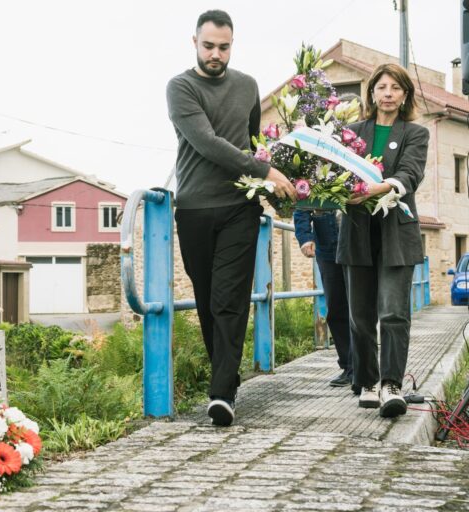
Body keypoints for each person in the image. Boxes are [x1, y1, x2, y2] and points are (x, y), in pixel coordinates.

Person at [166, 9, 296, 426]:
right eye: (209, 46)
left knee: (230, 299)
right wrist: (266, 172)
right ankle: (226, 375)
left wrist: (278, 178)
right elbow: (207, 143)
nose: (216, 54)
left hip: (241, 207)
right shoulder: (180, 87)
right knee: (206, 299)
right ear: (195, 43)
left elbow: (253, 144)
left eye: (223, 47)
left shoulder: (248, 86)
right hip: (193, 209)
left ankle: (222, 392)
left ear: (231, 45)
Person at [337, 63, 429, 417]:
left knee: (393, 312)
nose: (388, 93)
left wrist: (383, 186)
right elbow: (336, 172)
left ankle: (392, 384)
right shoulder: (351, 132)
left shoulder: (415, 133)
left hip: (396, 233)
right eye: (381, 87)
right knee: (360, 316)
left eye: (395, 87)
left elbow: (410, 173)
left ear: (405, 94)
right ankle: (367, 382)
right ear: (371, 93)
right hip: (358, 231)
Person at [293, 209, 353, 387]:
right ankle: (349, 367)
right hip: (328, 248)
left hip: (356, 245)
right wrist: (305, 237)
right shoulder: (311, 180)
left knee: (360, 309)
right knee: (336, 309)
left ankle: (361, 367)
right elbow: (302, 207)